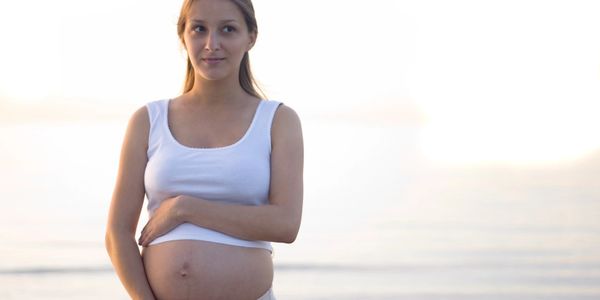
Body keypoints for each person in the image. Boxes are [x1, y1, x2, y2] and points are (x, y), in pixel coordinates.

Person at [104, 0, 304, 299]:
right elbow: (117, 234)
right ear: (183, 35)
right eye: (199, 29)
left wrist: (186, 208)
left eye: (228, 29)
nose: (212, 44)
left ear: (251, 36)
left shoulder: (278, 120)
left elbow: (286, 224)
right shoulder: (148, 120)